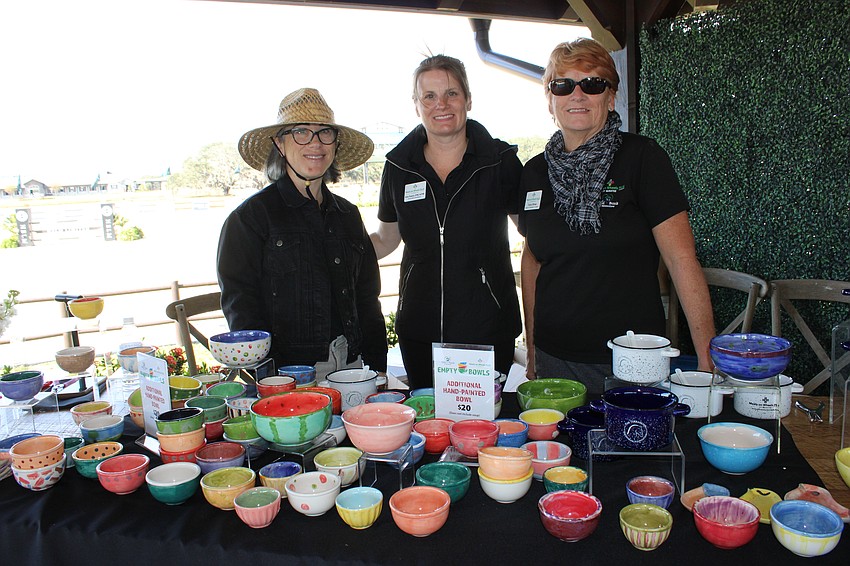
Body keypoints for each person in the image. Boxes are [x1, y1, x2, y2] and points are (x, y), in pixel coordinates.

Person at [519, 39, 715, 396]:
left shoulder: (643, 159)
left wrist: (707, 358)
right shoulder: (534, 172)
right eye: (563, 85)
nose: (577, 95)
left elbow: (681, 259)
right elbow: (532, 257)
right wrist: (532, 345)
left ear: (610, 98)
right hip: (554, 360)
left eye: (592, 84)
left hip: (632, 360)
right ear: (550, 100)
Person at [370, 55, 522, 390]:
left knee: (483, 430)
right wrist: (333, 246)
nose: (442, 104)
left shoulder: (500, 162)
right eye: (430, 96)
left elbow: (534, 233)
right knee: (428, 425)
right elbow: (385, 239)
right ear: (416, 105)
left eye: (452, 93)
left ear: (468, 99)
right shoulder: (398, 166)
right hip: (419, 330)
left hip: (487, 328)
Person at [217, 87, 387, 380]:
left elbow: (368, 298)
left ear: (334, 145)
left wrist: (378, 368)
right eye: (301, 132)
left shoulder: (348, 215)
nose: (315, 143)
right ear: (279, 144)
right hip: (290, 374)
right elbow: (241, 306)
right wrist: (271, 377)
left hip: (354, 366)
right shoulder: (250, 219)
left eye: (324, 133)